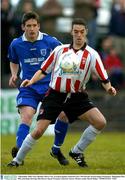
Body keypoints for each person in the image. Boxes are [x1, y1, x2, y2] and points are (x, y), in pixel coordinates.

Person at [7, 18, 117, 168]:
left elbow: (104, 77)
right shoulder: (60, 50)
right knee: (38, 131)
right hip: (55, 95)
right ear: (71, 32)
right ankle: (16, 160)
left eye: (82, 32)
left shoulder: (92, 55)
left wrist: (109, 88)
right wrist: (31, 81)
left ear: (86, 33)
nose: (79, 35)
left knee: (100, 122)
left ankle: (76, 151)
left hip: (76, 96)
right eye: (76, 31)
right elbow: (43, 70)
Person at [8, 11, 69, 166]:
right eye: (28, 26)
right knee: (27, 116)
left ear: (39, 26)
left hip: (50, 87)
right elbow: (13, 60)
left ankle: (56, 149)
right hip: (28, 87)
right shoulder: (16, 44)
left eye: (34, 25)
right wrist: (14, 74)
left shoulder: (50, 41)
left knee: (63, 115)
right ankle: (19, 154)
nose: (32, 29)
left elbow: (66, 56)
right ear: (23, 27)